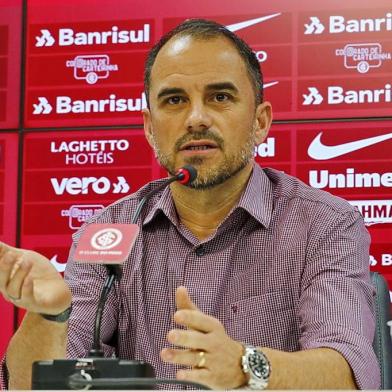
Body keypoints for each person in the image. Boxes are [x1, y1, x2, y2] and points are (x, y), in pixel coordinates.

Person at [0, 19, 380, 390]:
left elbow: (348, 377)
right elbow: (28, 386)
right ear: (150, 126)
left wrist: (245, 366)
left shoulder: (325, 223)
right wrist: (47, 315)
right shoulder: (108, 231)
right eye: (175, 100)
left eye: (220, 97)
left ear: (260, 121)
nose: (196, 118)